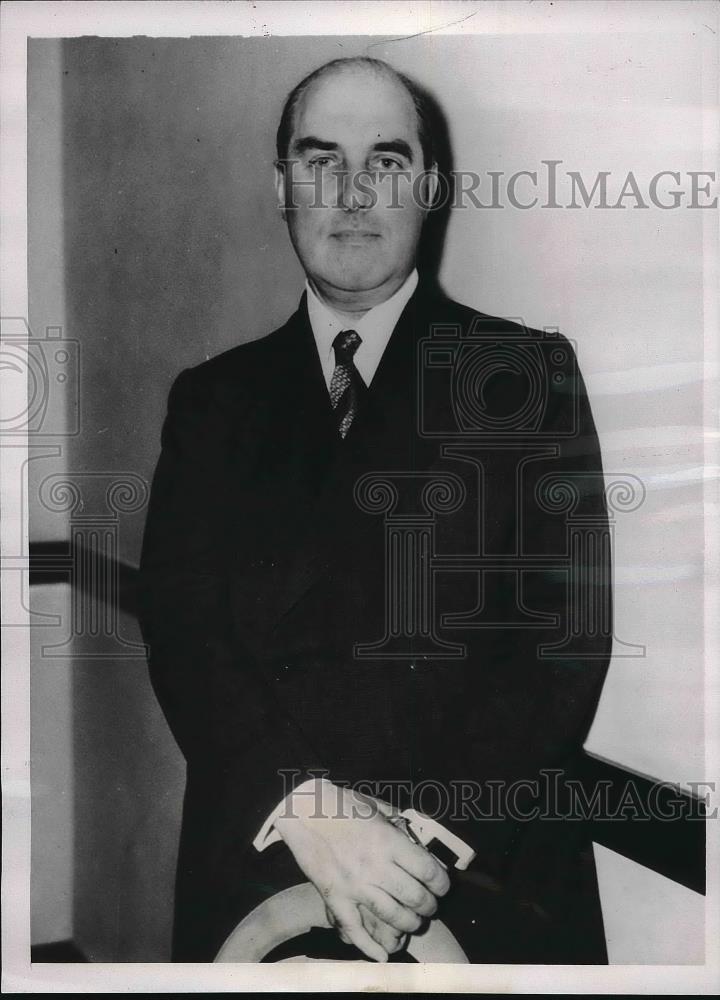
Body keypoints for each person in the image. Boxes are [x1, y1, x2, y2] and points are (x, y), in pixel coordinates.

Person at [137, 56, 612, 964]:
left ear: (429, 188)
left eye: (387, 162)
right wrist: (317, 817)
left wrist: (405, 861)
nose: (353, 194)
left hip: (471, 879)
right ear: (282, 186)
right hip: (268, 856)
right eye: (322, 161)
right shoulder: (213, 400)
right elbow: (185, 633)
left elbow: (561, 642)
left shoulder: (523, 376)